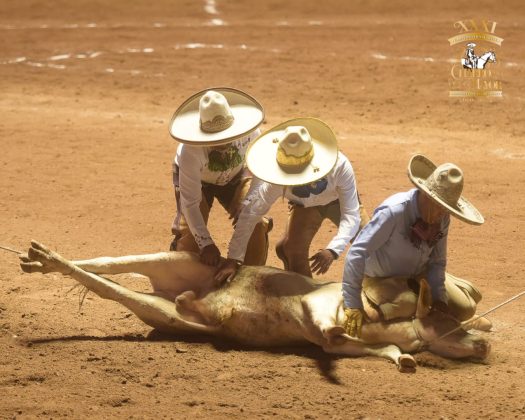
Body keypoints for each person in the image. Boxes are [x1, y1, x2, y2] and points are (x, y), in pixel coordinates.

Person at [342, 154, 485, 337]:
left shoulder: (443, 217)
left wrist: (440, 300)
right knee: (403, 305)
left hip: (417, 275)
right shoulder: (395, 211)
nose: (443, 214)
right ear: (425, 194)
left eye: (447, 209)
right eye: (439, 206)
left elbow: (436, 262)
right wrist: (352, 303)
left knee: (465, 308)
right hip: (381, 277)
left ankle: (445, 306)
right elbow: (357, 252)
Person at [214, 118, 369, 283]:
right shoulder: (275, 179)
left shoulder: (340, 165)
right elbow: (251, 214)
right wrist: (233, 259)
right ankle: (305, 297)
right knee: (291, 250)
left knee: (373, 245)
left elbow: (351, 214)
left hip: (338, 201)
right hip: (304, 206)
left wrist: (333, 250)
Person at [168, 87, 272, 266]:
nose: (222, 142)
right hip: (199, 183)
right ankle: (180, 268)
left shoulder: (252, 134)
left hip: (235, 176)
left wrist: (248, 202)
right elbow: (191, 202)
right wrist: (206, 244)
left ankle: (251, 276)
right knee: (190, 238)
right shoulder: (189, 152)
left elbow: (260, 171)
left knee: (256, 222)